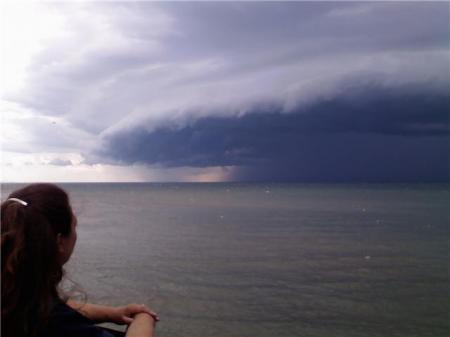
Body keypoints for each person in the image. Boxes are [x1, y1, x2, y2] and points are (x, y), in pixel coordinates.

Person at [1, 183, 159, 337]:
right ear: (59, 242)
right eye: (74, 226)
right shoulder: (59, 326)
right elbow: (51, 314)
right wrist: (144, 319)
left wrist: (112, 314)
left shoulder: (13, 290)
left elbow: (40, 305)